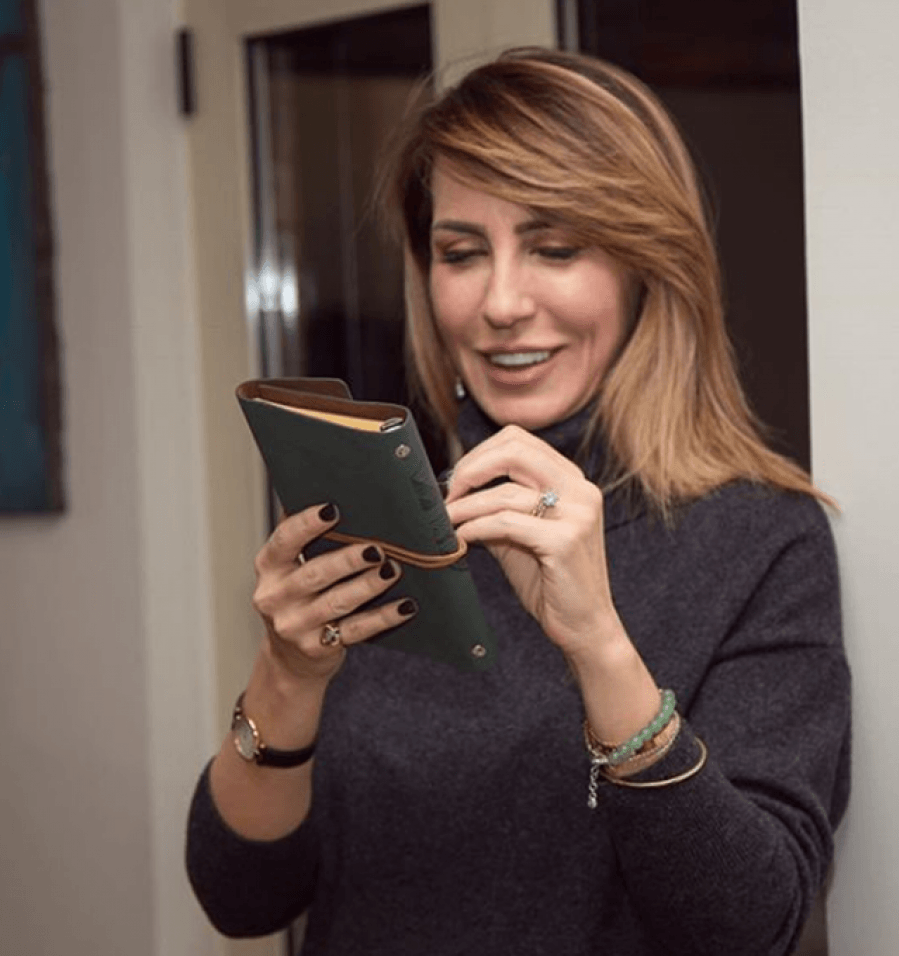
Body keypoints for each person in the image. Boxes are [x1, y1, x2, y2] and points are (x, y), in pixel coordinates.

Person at [186, 48, 850, 956]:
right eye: (461, 253)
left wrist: (598, 645)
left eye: (555, 248)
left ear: (645, 263)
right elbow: (241, 896)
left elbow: (748, 926)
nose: (500, 303)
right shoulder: (385, 522)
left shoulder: (760, 538)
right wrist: (286, 676)